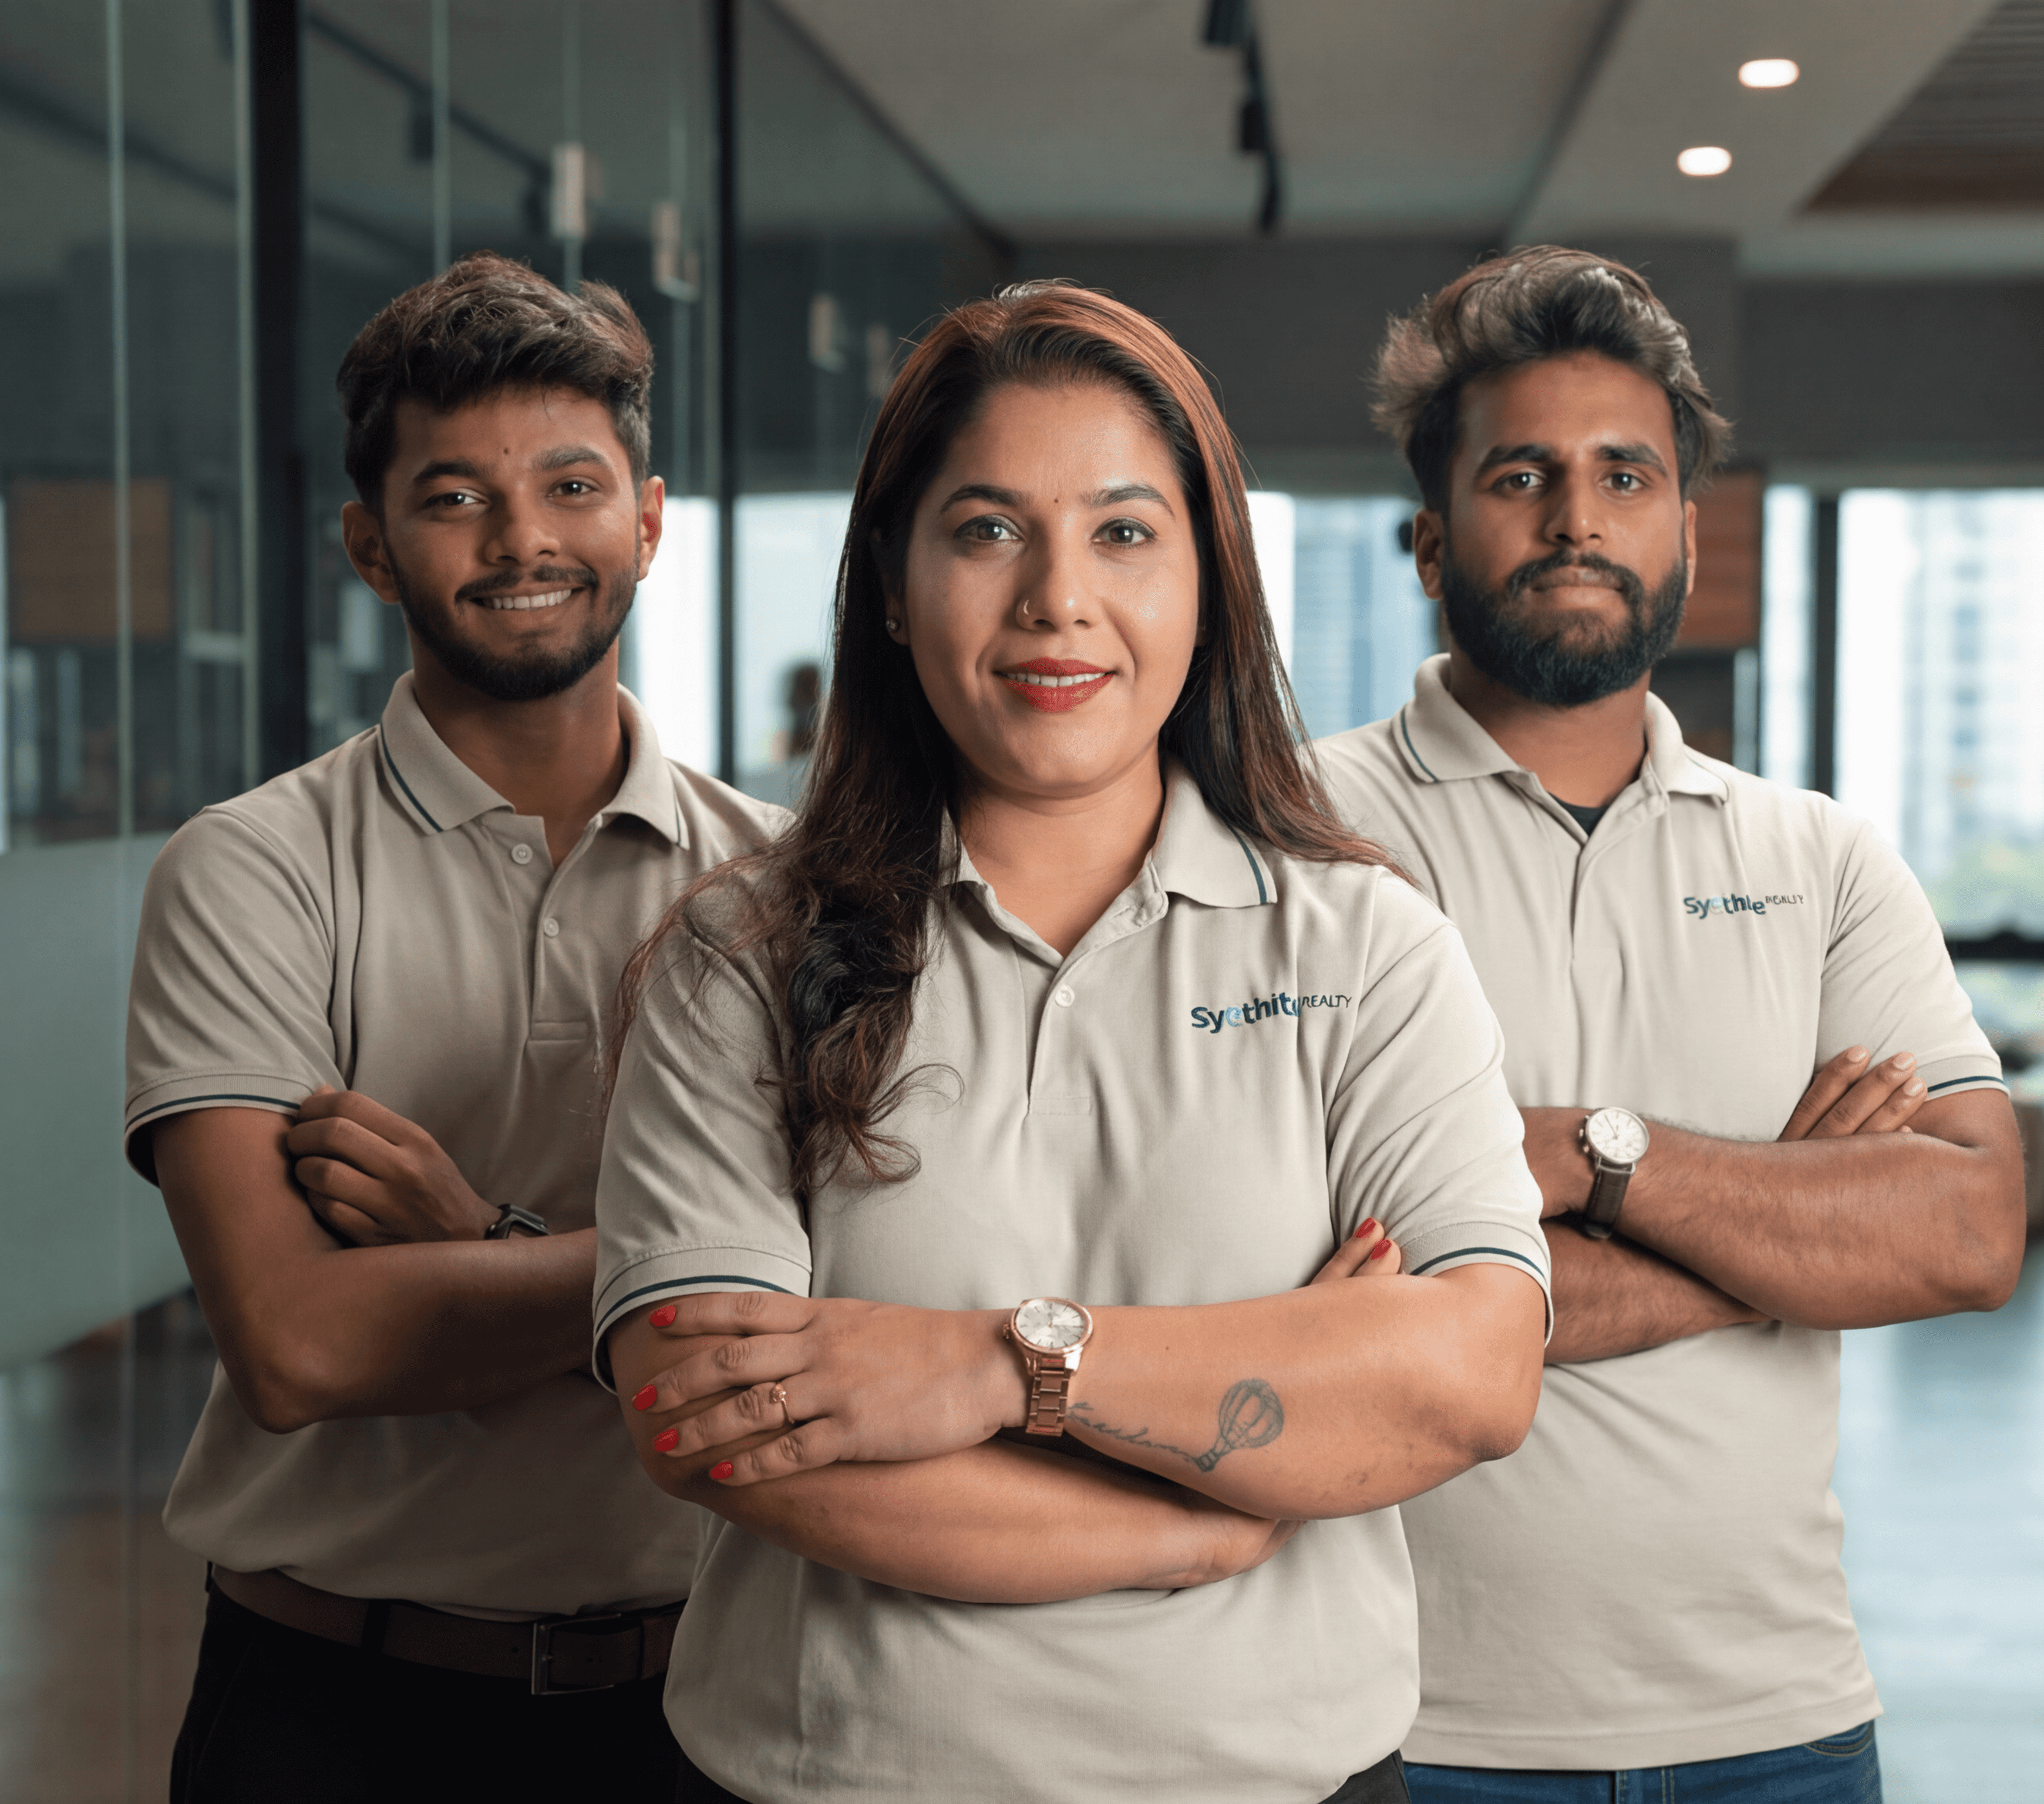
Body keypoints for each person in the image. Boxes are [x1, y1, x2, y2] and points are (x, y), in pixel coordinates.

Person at [590, 281, 1554, 1804]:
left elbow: (1470, 1377)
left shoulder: (1364, 948)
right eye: (985, 530)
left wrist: (1001, 1367)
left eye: (1123, 531)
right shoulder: (740, 958)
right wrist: (1210, 1511)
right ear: (895, 589)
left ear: (1210, 583)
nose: (1056, 600)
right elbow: (707, 1421)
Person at [1309, 248, 2028, 1803]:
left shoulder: (1817, 855)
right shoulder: (1299, 840)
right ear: (1431, 539)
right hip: (1399, 1729)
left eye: (1626, 475)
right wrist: (1785, 1230)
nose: (1580, 518)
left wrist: (1588, 1155)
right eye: (1523, 475)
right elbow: (1321, 1304)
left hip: (1780, 1728)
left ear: (1684, 531)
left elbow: (1969, 1229)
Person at [124, 253, 784, 1802]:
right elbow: (294, 1344)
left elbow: (839, 1309)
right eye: (453, 498)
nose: (522, 540)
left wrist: (480, 1244)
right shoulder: (254, 869)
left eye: (571, 483)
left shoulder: (786, 883)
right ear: (370, 545)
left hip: (706, 1704)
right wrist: (693, 1274)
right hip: (338, 1710)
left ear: (649, 517)